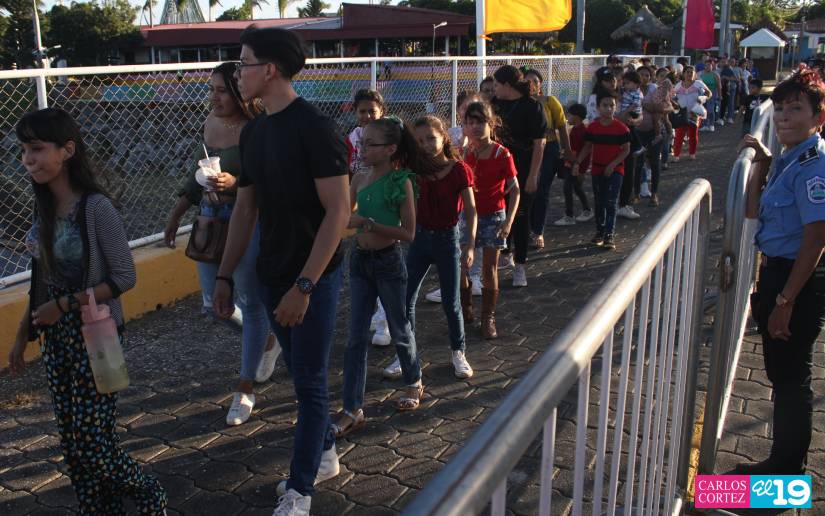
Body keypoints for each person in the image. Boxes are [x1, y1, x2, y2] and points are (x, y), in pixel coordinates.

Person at [212, 27, 351, 515]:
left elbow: (338, 211)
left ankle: (300, 490)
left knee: (309, 381)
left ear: (269, 69)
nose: (238, 73)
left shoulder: (315, 128)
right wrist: (225, 275)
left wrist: (305, 285)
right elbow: (245, 209)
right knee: (299, 372)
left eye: (244, 62)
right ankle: (325, 453)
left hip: (313, 277)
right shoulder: (254, 132)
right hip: (270, 273)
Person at [7, 108, 167, 514]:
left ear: (67, 150)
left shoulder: (96, 208)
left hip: (97, 337)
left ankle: (150, 494)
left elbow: (124, 277)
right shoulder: (44, 207)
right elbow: (42, 279)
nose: (27, 159)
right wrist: (22, 334)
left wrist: (64, 304)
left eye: (37, 148)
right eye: (23, 150)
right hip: (57, 338)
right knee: (72, 444)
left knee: (95, 444)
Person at [163, 62, 277, 426]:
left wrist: (236, 183)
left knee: (251, 302)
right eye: (211, 89)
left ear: (241, 92)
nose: (214, 97)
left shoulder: (259, 128)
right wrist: (176, 214)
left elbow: (272, 179)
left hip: (247, 221)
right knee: (214, 304)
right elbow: (196, 174)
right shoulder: (211, 122)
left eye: (222, 90)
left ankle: (245, 388)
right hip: (210, 221)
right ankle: (268, 341)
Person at [736, 69, 825, 476]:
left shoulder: (814, 166)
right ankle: (785, 465)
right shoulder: (789, 158)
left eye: (796, 109)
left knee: (791, 379)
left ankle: (786, 473)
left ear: (818, 117)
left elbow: (816, 238)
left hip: (796, 280)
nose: (784, 117)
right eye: (780, 109)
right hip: (780, 274)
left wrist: (785, 301)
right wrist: (762, 164)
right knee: (782, 374)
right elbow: (753, 211)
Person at [336, 116, 431, 439]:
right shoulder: (359, 179)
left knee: (400, 327)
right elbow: (343, 215)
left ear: (391, 149)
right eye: (361, 143)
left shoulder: (401, 182)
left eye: (370, 144)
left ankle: (413, 380)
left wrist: (368, 224)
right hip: (360, 261)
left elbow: (408, 233)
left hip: (389, 262)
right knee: (355, 337)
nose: (362, 149)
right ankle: (352, 408)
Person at [401, 115, 477, 379]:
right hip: (419, 238)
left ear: (444, 137)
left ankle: (458, 351)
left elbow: (471, 210)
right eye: (419, 141)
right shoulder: (413, 169)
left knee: (451, 302)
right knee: (406, 299)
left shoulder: (458, 170)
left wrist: (469, 245)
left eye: (430, 138)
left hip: (447, 239)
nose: (425, 145)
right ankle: (406, 354)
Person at [462, 101, 520, 338]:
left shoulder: (501, 153)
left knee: (489, 268)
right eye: (470, 122)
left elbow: (515, 190)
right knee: (463, 265)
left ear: (491, 124)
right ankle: (465, 308)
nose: (475, 127)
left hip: (494, 216)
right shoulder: (465, 152)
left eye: (480, 122)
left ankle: (488, 317)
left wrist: (508, 222)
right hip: (467, 216)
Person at [491, 65, 546, 287]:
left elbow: (539, 143)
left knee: (521, 216)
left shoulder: (532, 106)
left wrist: (533, 175)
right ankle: (505, 254)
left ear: (507, 85)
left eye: (496, 84)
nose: (494, 89)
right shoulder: (494, 104)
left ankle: (520, 266)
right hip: (497, 167)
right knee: (499, 213)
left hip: (523, 166)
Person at [344, 89, 392, 347]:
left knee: (385, 262)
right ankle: (377, 312)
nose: (366, 116)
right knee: (367, 261)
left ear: (381, 111)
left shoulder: (390, 135)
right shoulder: (351, 139)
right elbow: (348, 172)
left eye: (372, 111)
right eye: (362, 111)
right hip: (362, 203)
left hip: (383, 202)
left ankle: (386, 321)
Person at [572, 90, 631, 251]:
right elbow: (588, 147)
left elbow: (626, 150)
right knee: (599, 201)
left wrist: (613, 165)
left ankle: (609, 234)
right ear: (598, 107)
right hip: (597, 169)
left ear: (616, 107)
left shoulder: (622, 129)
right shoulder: (593, 127)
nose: (608, 108)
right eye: (605, 105)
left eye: (612, 105)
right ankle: (600, 231)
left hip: (616, 170)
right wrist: (577, 162)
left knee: (611, 202)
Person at [521, 67, 573, 247]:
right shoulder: (519, 103)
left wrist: (567, 150)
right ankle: (525, 229)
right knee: (526, 191)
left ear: (540, 84)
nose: (531, 84)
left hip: (549, 148)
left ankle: (538, 231)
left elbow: (562, 127)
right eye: (527, 81)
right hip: (526, 149)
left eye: (535, 81)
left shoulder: (550, 101)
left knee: (541, 190)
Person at [557, 103, 593, 224]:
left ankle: (570, 215)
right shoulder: (576, 130)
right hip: (573, 164)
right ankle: (586, 210)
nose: (567, 117)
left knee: (568, 188)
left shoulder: (581, 131)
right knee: (576, 188)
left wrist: (578, 167)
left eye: (569, 115)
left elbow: (584, 150)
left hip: (576, 165)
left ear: (576, 117)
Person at [616, 70, 644, 220]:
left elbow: (635, 106)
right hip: (624, 118)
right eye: (624, 82)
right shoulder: (625, 91)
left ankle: (638, 146)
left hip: (631, 115)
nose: (625, 85)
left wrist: (624, 113)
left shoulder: (637, 94)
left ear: (636, 84)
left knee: (631, 133)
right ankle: (621, 202)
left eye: (628, 83)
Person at [673, 65, 710, 161]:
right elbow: (672, 97)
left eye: (691, 72)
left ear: (694, 74)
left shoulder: (698, 83)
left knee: (693, 135)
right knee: (679, 135)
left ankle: (692, 154)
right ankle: (676, 155)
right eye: (687, 72)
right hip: (682, 114)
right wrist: (675, 103)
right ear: (683, 74)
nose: (689, 74)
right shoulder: (678, 85)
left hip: (694, 113)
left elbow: (709, 93)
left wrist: (703, 98)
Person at [700, 59, 721, 132]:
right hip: (703, 93)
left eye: (709, 65)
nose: (707, 67)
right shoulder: (701, 74)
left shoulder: (715, 75)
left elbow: (719, 86)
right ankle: (705, 125)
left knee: (710, 110)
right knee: (703, 109)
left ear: (712, 66)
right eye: (706, 65)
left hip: (712, 93)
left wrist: (720, 96)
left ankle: (711, 124)